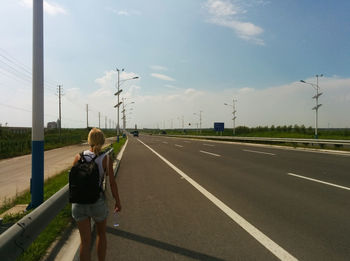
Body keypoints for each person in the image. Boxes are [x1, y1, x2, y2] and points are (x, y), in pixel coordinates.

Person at [71, 128, 122, 261]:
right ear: (103, 140)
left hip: (79, 204)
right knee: (101, 235)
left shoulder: (78, 157)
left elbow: (73, 181)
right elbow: (112, 183)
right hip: (97, 202)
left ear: (89, 141)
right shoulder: (105, 159)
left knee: (85, 242)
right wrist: (117, 201)